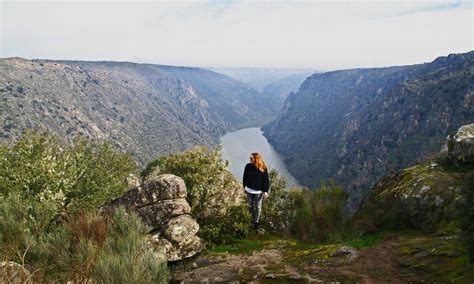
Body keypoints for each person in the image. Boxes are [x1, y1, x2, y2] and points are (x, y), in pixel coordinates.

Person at [242, 152, 270, 230]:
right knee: (249, 206)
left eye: (251, 158)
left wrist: (265, 191)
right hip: (249, 190)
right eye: (250, 158)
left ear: (256, 159)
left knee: (257, 207)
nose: (250, 159)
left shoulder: (263, 168)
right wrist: (244, 187)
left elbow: (266, 180)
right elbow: (244, 177)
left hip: (258, 192)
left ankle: (256, 222)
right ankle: (250, 220)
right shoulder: (248, 166)